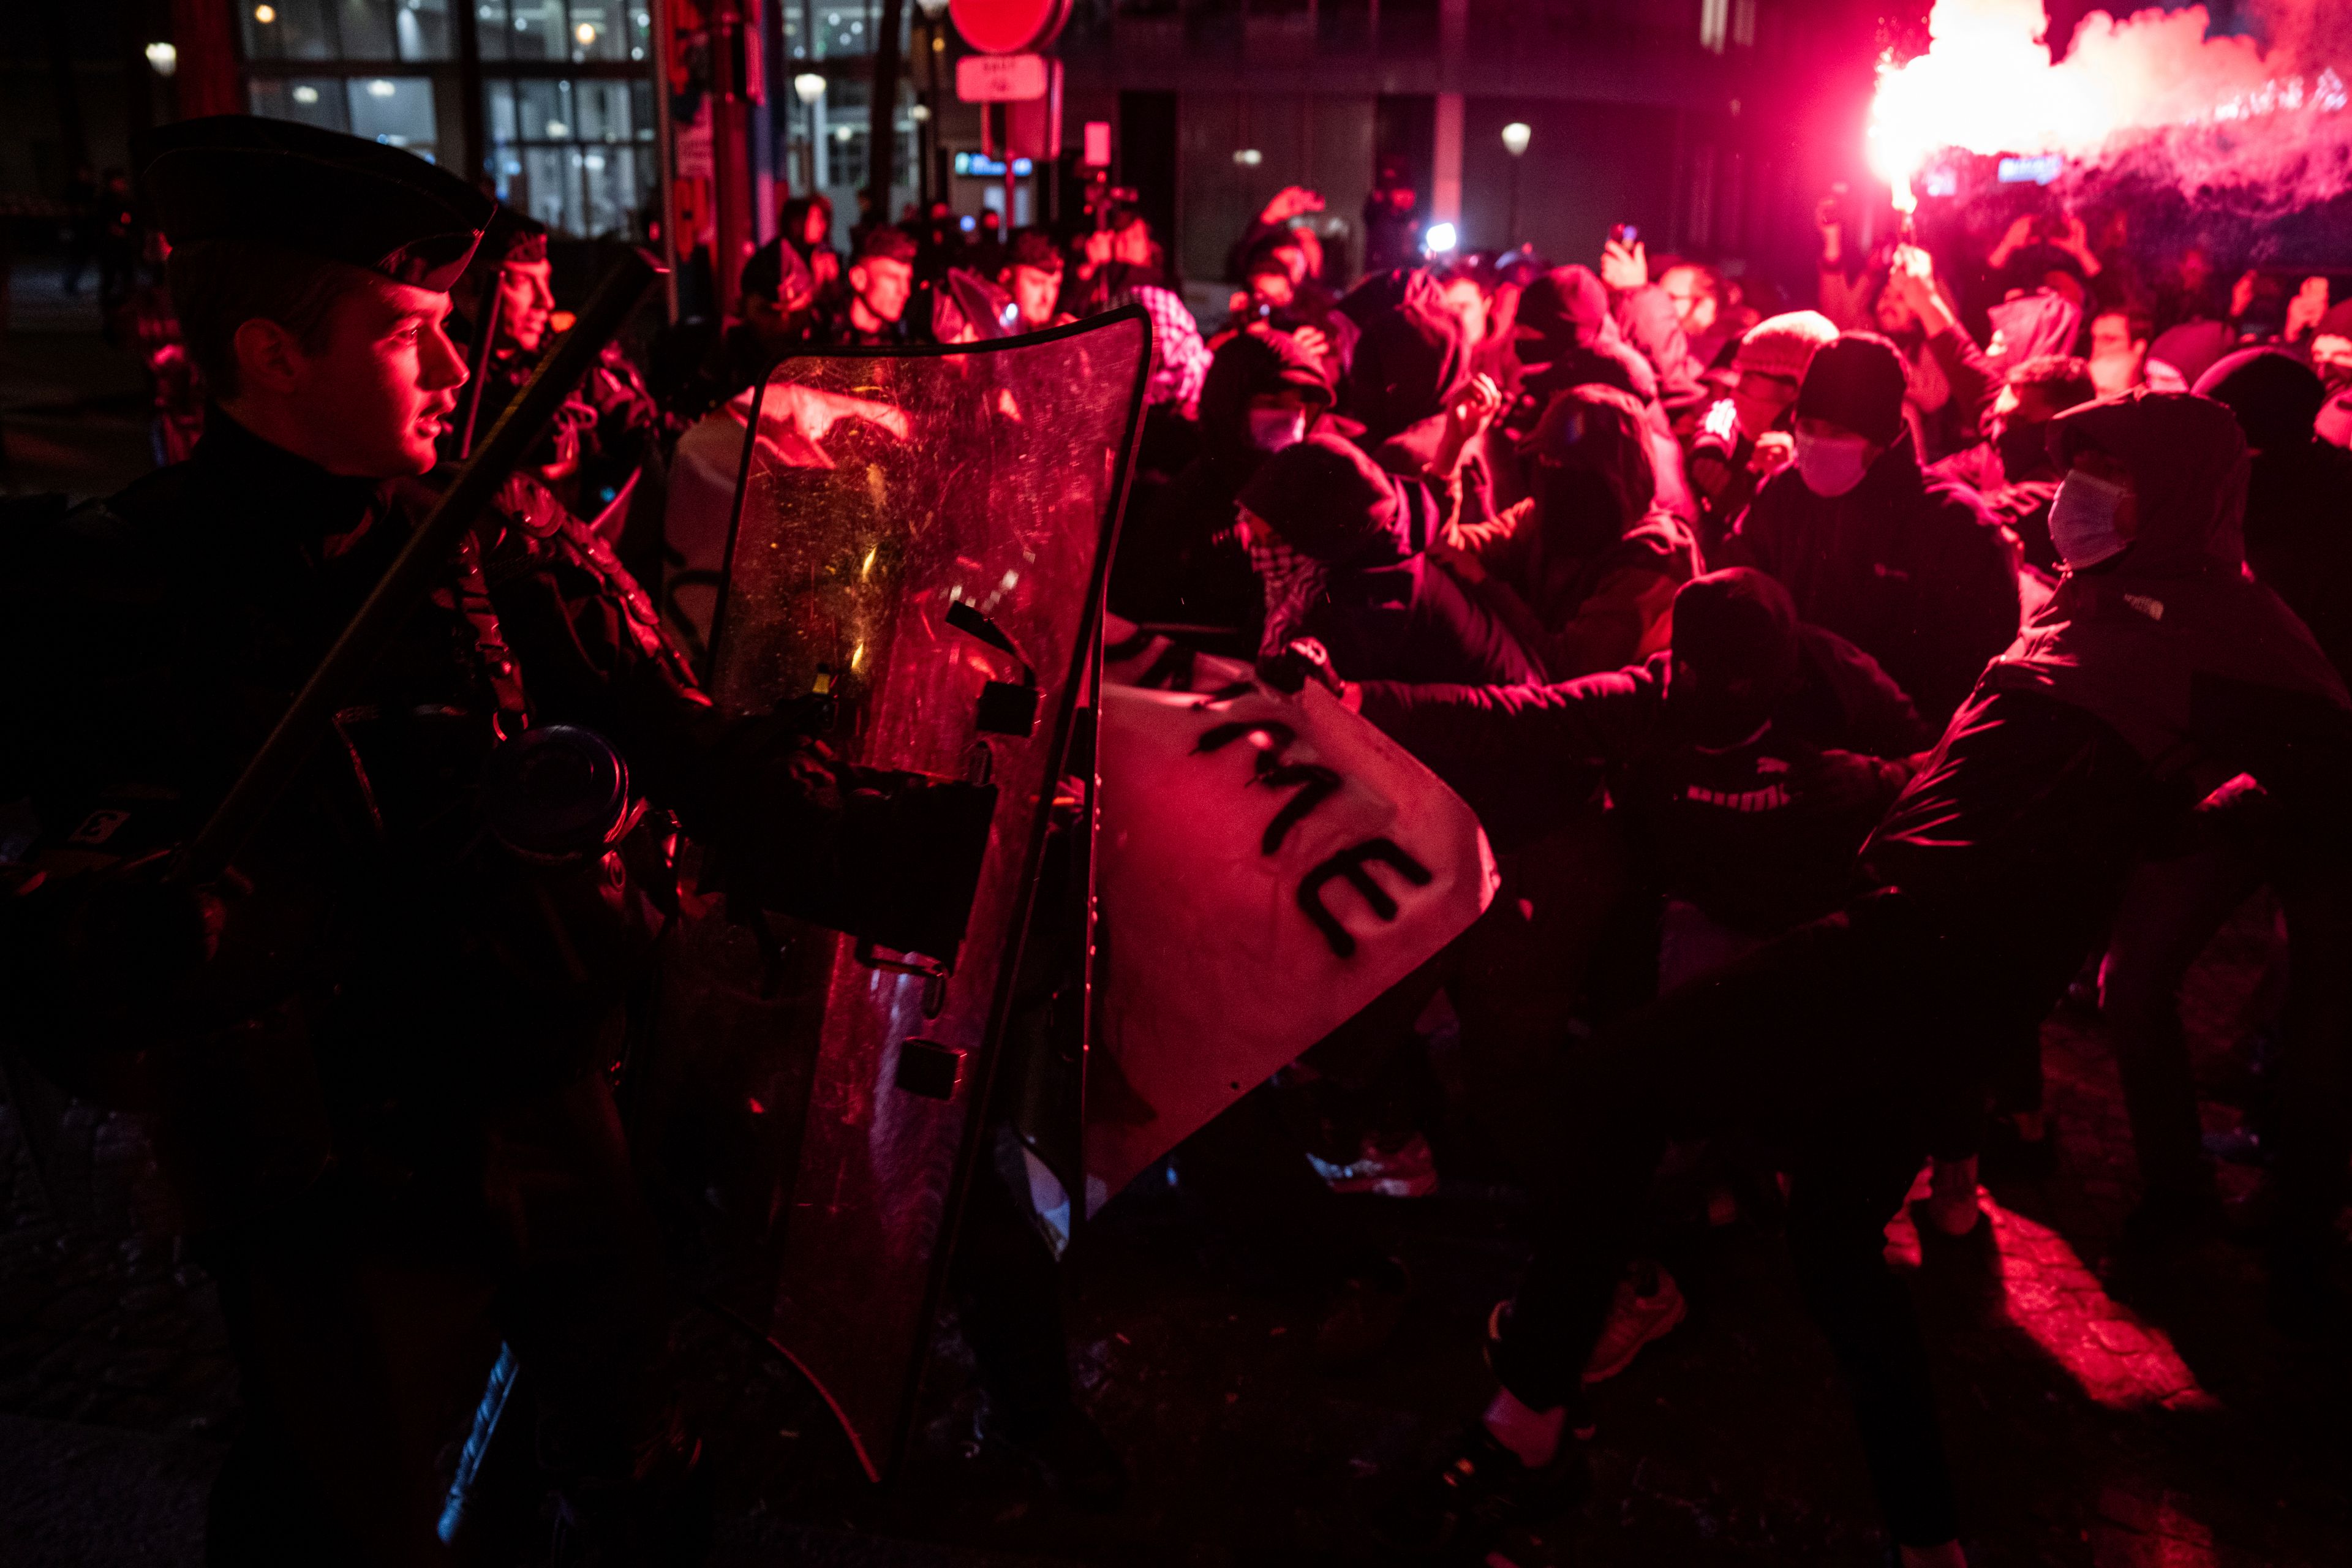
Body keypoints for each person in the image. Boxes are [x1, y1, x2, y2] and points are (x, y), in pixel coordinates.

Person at [0, 115, 959, 1562]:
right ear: (270, 354)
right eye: (407, 334)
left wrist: (943, 848)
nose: (458, 370)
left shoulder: (489, 532)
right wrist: (126, 928)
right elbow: (55, 909)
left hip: (556, 1105)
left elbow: (687, 743)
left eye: (451, 329)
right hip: (329, 1172)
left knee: (639, 1455)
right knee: (352, 1508)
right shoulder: (125, 589)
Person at [1385, 388, 2352, 1565]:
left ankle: (1527, 1423)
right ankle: (1928, 1538)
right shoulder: (2101, 601)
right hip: (1935, 951)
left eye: (2111, 473)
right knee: (1837, 1247)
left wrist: (2192, 822)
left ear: (2186, 497)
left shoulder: (2228, 624)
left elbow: (2329, 767)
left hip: (1931, 942)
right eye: (2078, 467)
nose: (2079, 498)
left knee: (1613, 1092)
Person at [1728, 332, 2021, 728]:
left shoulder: (1954, 524)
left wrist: (1896, 763)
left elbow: (1974, 678)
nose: (1817, 442)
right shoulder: (1782, 496)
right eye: (1809, 425)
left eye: (1838, 433)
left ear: (1883, 438)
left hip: (1904, 747)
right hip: (1785, 732)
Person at [1437, 383, 1700, 682]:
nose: (1554, 477)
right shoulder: (1545, 517)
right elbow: (1450, 551)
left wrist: (1486, 586)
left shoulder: (1654, 561)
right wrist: (1452, 447)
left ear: (1616, 480)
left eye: (1573, 469)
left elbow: (1567, 671)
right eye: (1546, 462)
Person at [1234, 429, 1540, 685]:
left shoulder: (1377, 600)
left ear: (1315, 534)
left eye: (1269, 539)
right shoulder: (1366, 540)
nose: (1259, 556)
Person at [1108, 326, 1333, 643]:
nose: (1289, 419)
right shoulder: (1190, 503)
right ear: (1230, 406)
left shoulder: (1308, 492)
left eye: (1298, 407)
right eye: (1271, 402)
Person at [1685, 309, 1840, 552]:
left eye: (1750, 379)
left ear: (1796, 389)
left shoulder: (1830, 464)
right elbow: (1725, 410)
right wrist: (1710, 443)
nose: (1736, 391)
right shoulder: (1742, 422)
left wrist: (1786, 483)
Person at [1931, 353, 2096, 579]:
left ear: (2063, 428)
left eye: (2017, 420)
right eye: (1999, 418)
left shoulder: (2062, 488)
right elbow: (1922, 486)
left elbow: (1970, 519)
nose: (2001, 432)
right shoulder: (1992, 458)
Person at [818, 224, 916, 347]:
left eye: (907, 279)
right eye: (893, 278)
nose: (905, 291)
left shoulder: (904, 339)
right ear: (859, 279)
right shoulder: (820, 332)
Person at [998, 228, 1072, 333]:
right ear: (1007, 279)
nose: (1047, 297)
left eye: (1055, 285)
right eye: (1036, 282)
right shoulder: (983, 331)